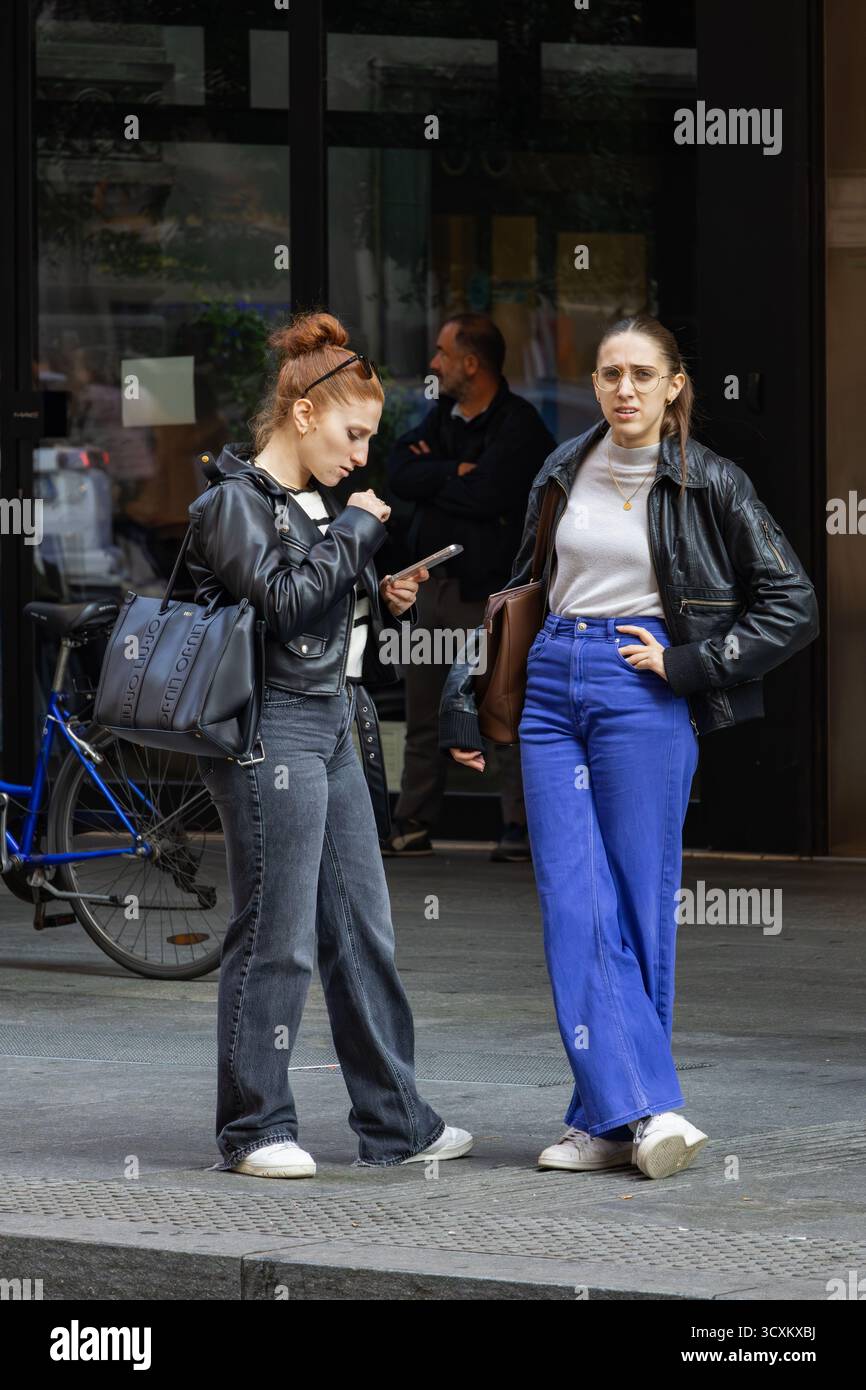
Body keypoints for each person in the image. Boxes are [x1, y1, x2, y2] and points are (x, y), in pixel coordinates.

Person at [439, 315, 819, 1180]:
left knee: (638, 908)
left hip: (638, 685)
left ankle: (604, 1121)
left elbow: (792, 603)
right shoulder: (563, 465)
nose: (624, 390)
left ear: (675, 384)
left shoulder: (710, 481)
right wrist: (469, 691)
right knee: (572, 900)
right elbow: (521, 584)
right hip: (551, 681)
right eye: (610, 373)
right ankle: (641, 1114)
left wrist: (692, 663)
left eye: (643, 374)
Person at [184, 310, 473, 1178]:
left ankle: (397, 1125)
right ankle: (254, 1130)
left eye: (370, 438)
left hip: (334, 720)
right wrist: (357, 529)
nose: (361, 454)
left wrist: (374, 596)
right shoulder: (229, 502)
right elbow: (278, 598)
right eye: (353, 433)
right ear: (304, 415)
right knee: (278, 933)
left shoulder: (307, 507)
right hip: (268, 726)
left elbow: (309, 606)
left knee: (362, 931)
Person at [383, 314, 556, 862]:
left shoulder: (519, 425)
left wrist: (443, 478)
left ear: (471, 363)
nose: (433, 363)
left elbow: (491, 495)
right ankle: (412, 823)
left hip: (494, 597)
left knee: (502, 709)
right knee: (424, 711)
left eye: (442, 352)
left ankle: (519, 830)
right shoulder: (441, 417)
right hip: (434, 591)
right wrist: (452, 471)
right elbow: (397, 474)